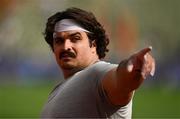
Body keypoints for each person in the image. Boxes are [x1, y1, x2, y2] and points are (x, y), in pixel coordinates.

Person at [41, 7, 155, 118]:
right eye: (59, 41)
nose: (66, 46)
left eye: (75, 38)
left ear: (93, 45)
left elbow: (121, 78)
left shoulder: (97, 73)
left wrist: (132, 67)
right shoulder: (57, 91)